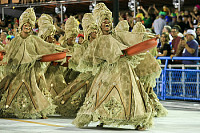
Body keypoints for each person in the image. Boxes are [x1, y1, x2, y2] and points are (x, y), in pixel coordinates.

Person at [72, 3, 161, 130]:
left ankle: (137, 121)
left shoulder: (118, 35)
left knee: (128, 92)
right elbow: (92, 56)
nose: (107, 23)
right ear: (99, 24)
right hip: (107, 71)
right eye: (104, 22)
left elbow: (133, 37)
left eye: (108, 21)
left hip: (123, 69)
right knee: (102, 92)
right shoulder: (98, 41)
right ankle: (101, 117)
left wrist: (151, 37)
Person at [0, 8, 64, 119]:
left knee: (33, 88)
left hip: (31, 71)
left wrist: (59, 50)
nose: (28, 27)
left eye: (30, 25)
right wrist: (6, 60)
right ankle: (11, 108)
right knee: (14, 87)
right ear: (21, 26)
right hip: (18, 71)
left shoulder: (34, 39)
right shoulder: (16, 40)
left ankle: (37, 110)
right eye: (26, 25)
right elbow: (10, 53)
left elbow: (47, 46)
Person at [55, 13, 97, 118]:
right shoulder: (82, 47)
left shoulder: (99, 43)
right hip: (82, 72)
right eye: (92, 31)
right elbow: (77, 61)